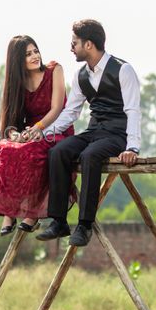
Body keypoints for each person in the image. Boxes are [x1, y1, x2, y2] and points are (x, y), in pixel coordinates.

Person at [34, 19, 141, 247]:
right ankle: (59, 221)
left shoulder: (123, 70)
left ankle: (84, 225)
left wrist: (132, 147)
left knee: (89, 156)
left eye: (74, 43)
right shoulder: (81, 75)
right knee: (58, 152)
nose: (71, 48)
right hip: (94, 130)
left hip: (116, 134)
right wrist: (42, 133)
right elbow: (69, 114)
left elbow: (133, 110)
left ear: (89, 45)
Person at [0, 35, 75, 235]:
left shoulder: (54, 70)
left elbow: (57, 108)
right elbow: (12, 122)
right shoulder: (17, 83)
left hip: (55, 129)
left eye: (36, 51)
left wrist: (38, 128)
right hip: (30, 133)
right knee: (4, 149)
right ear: (17, 60)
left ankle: (32, 214)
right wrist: (16, 136)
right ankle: (9, 213)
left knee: (34, 151)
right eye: (28, 54)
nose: (35, 56)